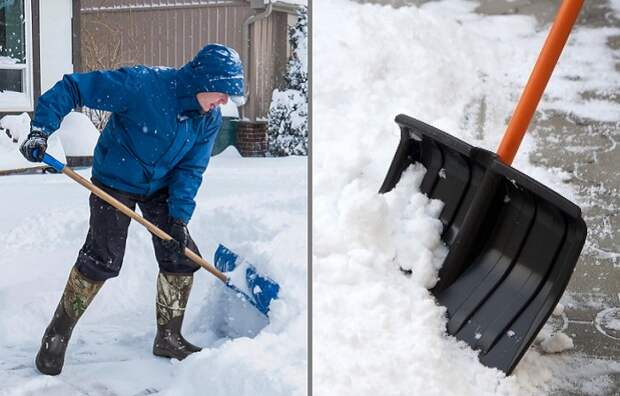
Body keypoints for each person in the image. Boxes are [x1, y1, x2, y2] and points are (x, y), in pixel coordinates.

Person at [19, 44, 245, 376]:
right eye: (223, 92)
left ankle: (169, 337)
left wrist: (179, 219)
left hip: (161, 185)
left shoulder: (207, 119)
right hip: (116, 178)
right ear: (204, 80)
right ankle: (57, 333)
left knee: (181, 256)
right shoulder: (142, 85)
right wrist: (40, 131)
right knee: (103, 257)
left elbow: (190, 170)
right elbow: (72, 87)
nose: (225, 102)